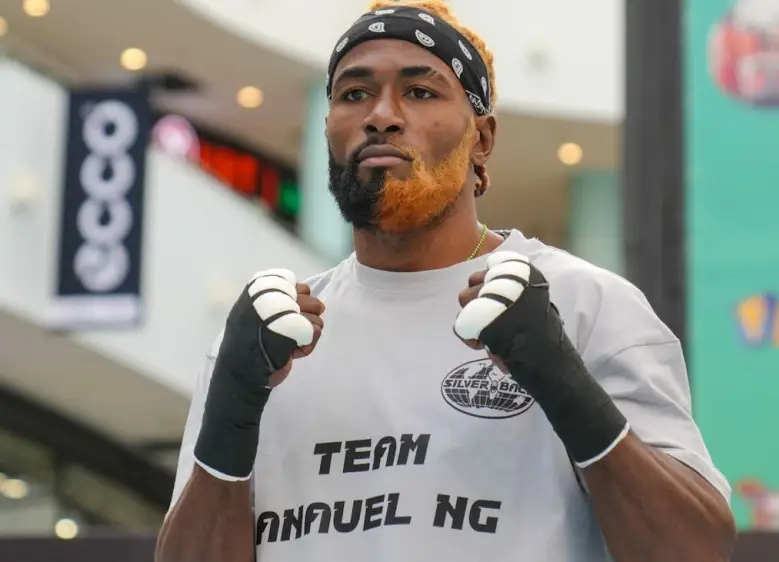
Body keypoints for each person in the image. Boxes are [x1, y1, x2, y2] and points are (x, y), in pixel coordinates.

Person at [155, 1, 735, 561]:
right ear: (328, 128)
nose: (381, 115)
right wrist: (232, 409)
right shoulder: (270, 340)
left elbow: (696, 550)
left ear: (482, 139)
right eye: (354, 94)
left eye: (420, 91)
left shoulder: (587, 304)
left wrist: (564, 381)